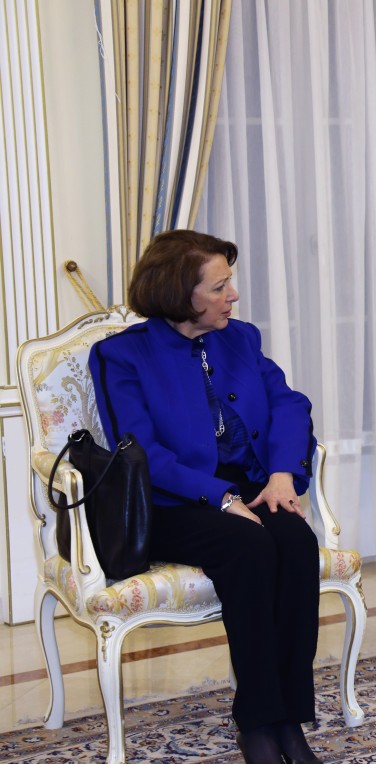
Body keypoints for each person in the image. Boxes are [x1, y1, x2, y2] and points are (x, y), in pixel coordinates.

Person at [88, 230, 323, 764]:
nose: (232, 296)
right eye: (219, 287)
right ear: (179, 293)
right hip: (171, 502)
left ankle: (290, 718)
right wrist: (218, 496)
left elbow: (290, 404)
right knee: (250, 547)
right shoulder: (120, 357)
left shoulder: (239, 338)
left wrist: (283, 474)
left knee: (296, 542)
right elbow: (140, 448)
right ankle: (259, 723)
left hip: (249, 485)